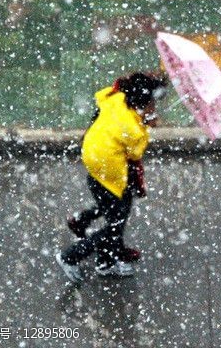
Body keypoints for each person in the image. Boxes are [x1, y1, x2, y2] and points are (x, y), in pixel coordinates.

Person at [56, 72, 168, 280]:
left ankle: (105, 260)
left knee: (113, 209)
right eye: (153, 102)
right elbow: (135, 152)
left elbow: (104, 97)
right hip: (110, 173)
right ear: (143, 101)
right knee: (116, 223)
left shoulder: (116, 100)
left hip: (95, 164)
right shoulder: (132, 128)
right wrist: (146, 125)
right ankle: (71, 256)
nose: (155, 106)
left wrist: (142, 118)